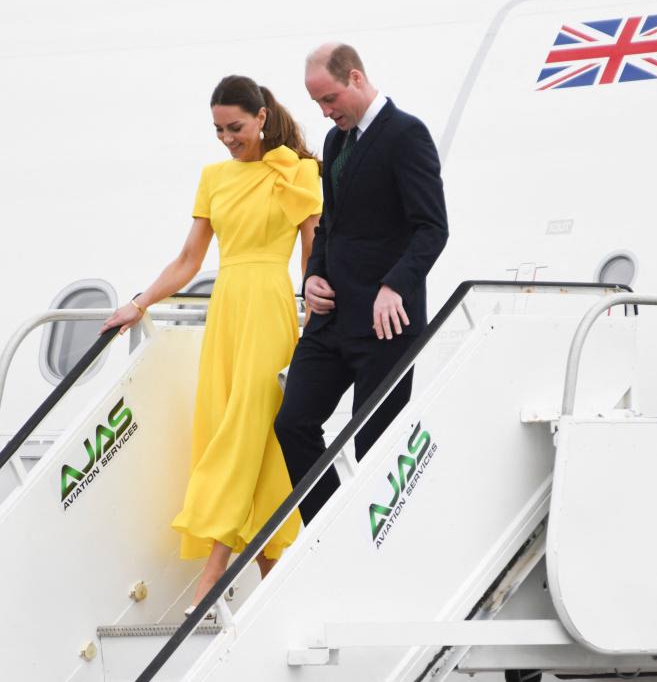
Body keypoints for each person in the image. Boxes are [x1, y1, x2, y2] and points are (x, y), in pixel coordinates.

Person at [101, 75, 322, 616]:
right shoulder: (213, 178)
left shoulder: (298, 172)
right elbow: (188, 261)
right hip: (227, 312)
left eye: (236, 127)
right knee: (242, 433)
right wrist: (140, 302)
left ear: (263, 116)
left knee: (247, 425)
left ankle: (214, 572)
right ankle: (277, 581)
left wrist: (315, 327)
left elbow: (313, 258)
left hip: (271, 308)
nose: (227, 137)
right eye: (218, 129)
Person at [274, 43, 448, 525]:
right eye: (317, 105)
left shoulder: (406, 135)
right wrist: (311, 277)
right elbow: (329, 225)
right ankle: (331, 525)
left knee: (374, 443)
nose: (326, 113)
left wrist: (395, 285)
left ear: (355, 78)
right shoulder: (335, 144)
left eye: (329, 100)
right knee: (293, 423)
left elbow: (432, 227)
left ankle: (362, 541)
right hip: (331, 319)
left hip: (386, 323)